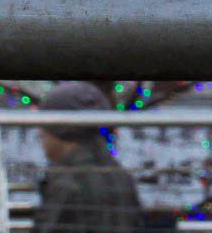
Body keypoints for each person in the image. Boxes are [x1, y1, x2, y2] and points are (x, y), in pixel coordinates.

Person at [34, 81, 142, 233]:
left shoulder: (66, 182)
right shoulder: (121, 176)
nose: (40, 133)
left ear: (61, 130)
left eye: (44, 126)